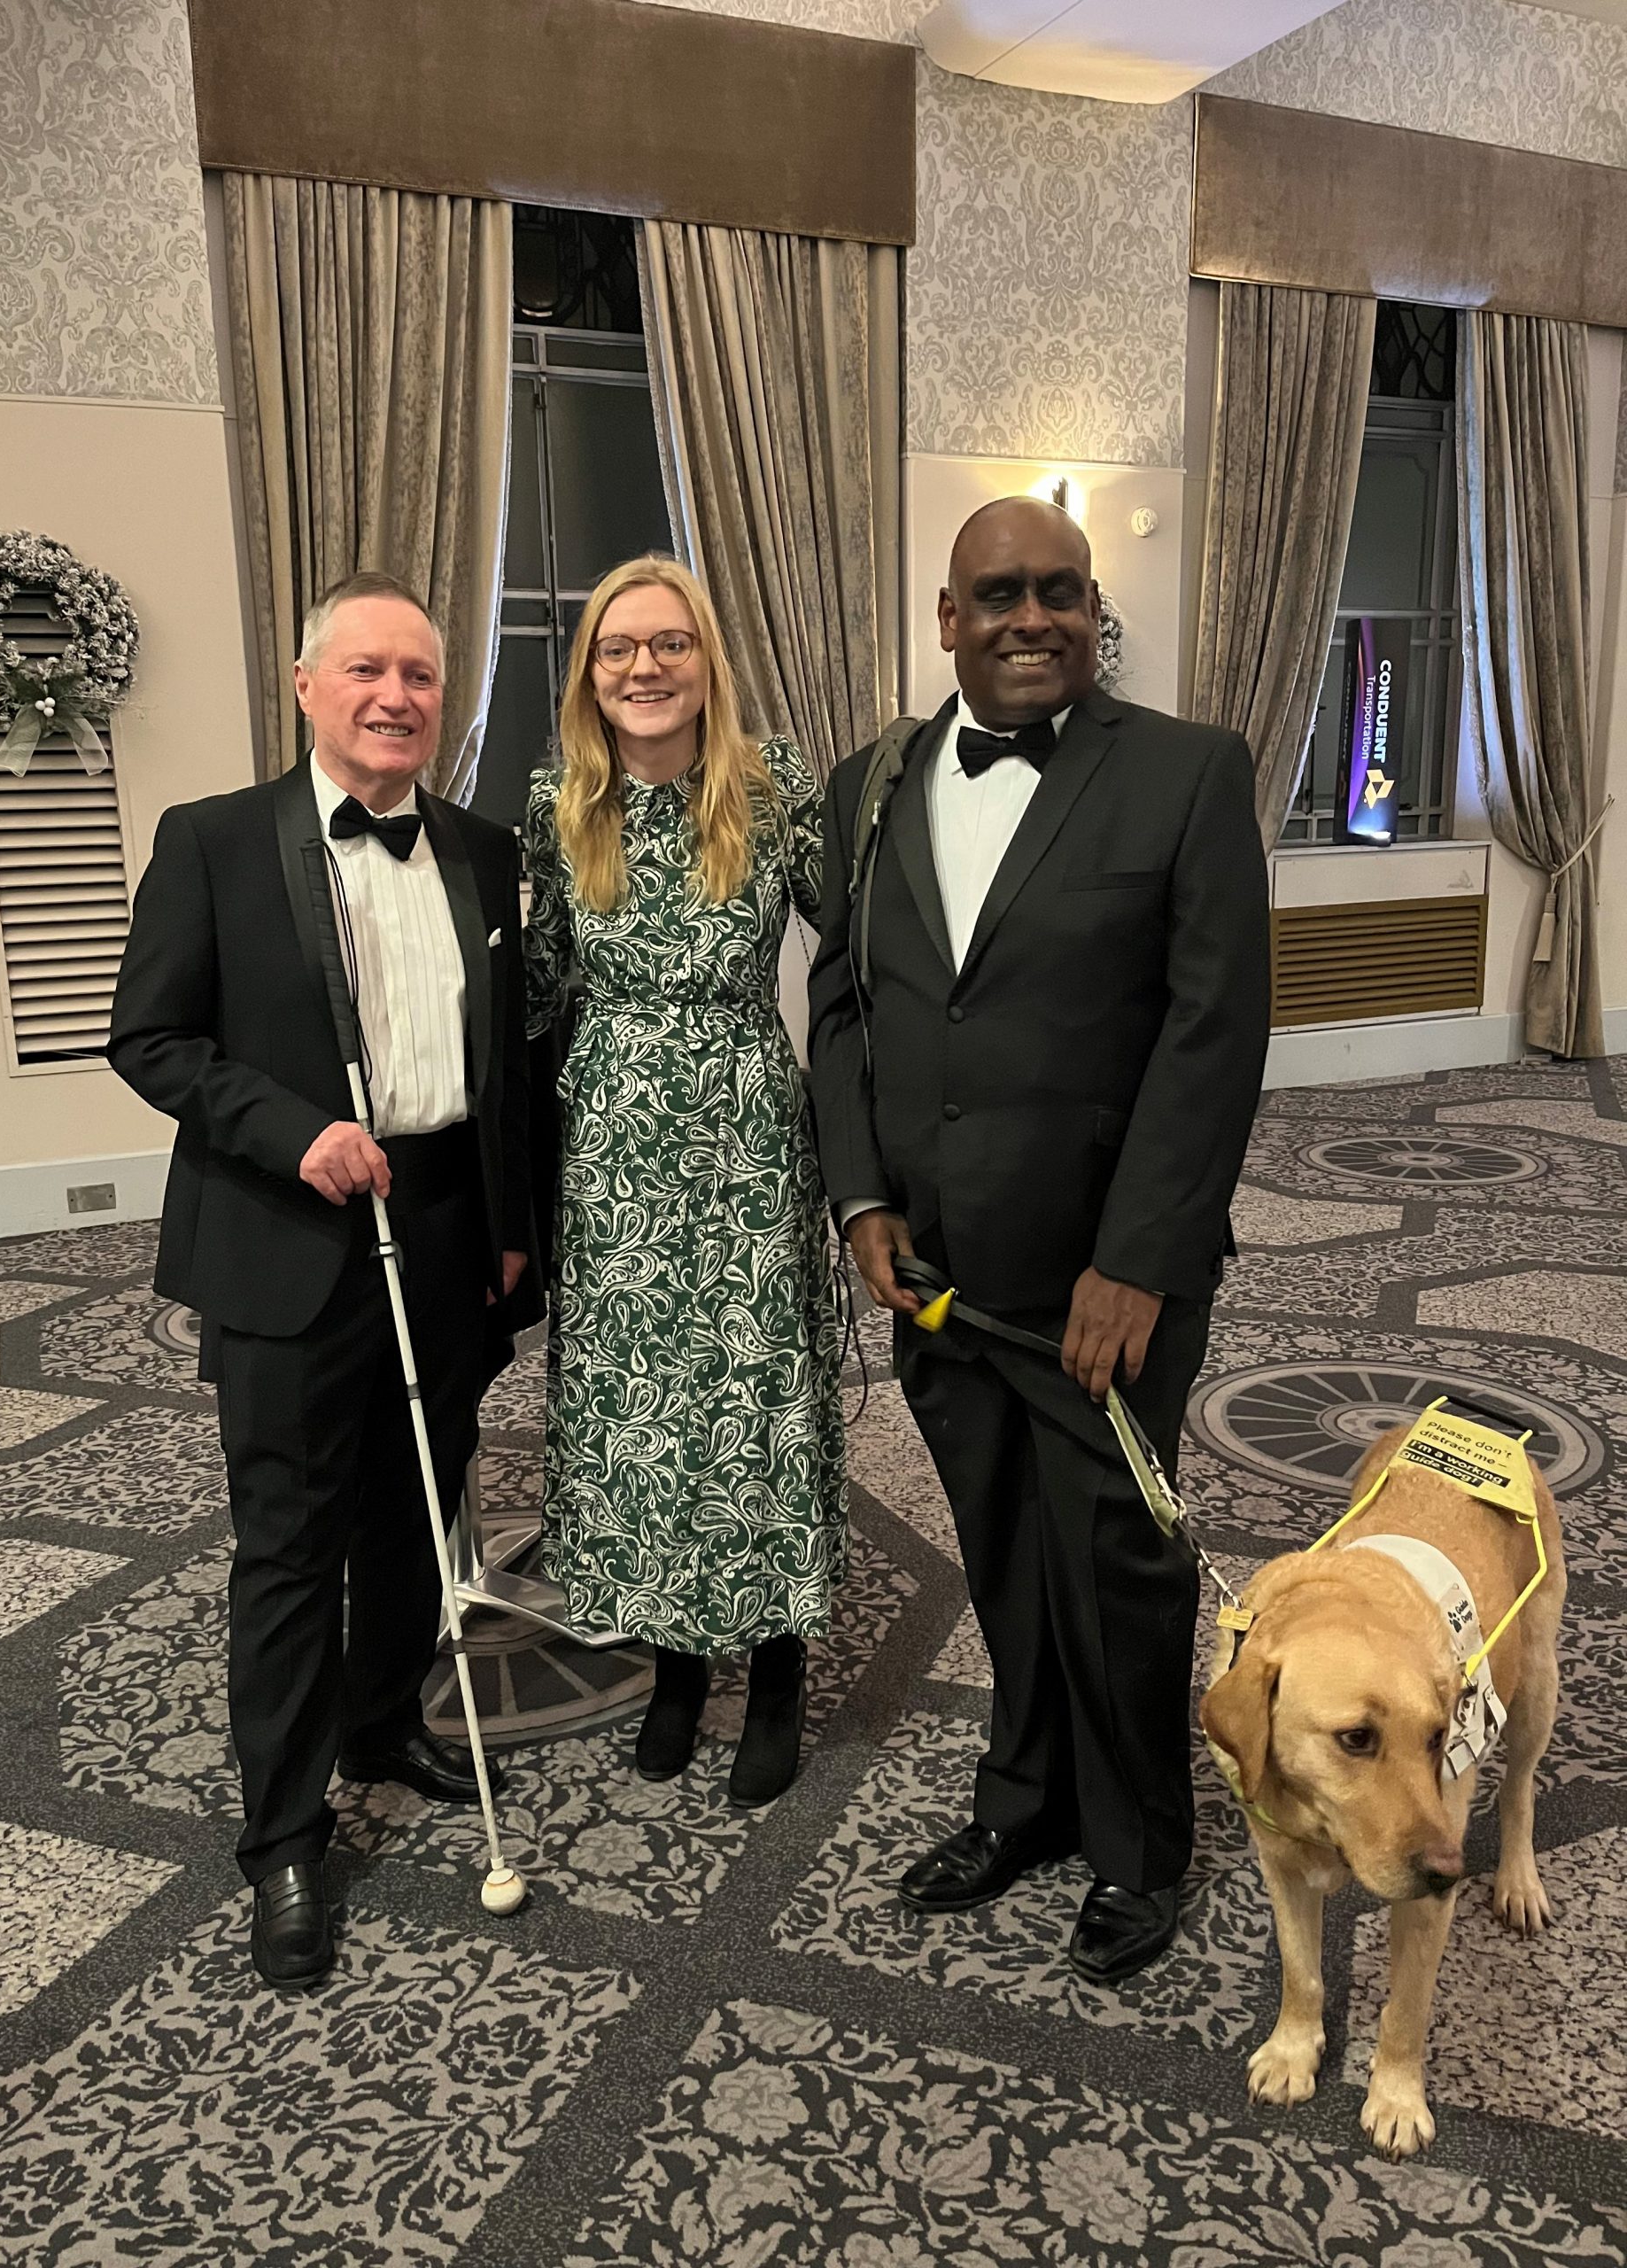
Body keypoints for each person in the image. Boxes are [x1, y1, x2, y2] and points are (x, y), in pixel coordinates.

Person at [808, 498, 1269, 1983]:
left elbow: (1214, 1037)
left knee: (1122, 1560)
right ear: (946, 617)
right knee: (1002, 1549)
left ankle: (1142, 1842)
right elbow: (847, 1009)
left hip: (1101, 1286)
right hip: (936, 1274)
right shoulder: (866, 783)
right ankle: (1028, 1798)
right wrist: (864, 1198)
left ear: (1092, 612)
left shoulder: (1189, 774)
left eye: (1060, 592)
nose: (1032, 619)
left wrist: (1138, 1258)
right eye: (998, 593)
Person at [108, 571, 539, 1986]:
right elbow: (153, 1039)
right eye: (366, 670)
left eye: (419, 674)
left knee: (418, 1503)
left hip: (451, 1235)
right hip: (290, 1238)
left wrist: (516, 1221)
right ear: (306, 687)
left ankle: (378, 1717)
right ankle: (285, 1839)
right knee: (290, 1548)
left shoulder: (482, 850)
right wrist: (295, 1136)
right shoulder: (214, 841)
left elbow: (510, 1066)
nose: (395, 696)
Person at [524, 554, 846, 1807]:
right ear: (590, 676)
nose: (644, 668)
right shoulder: (556, 806)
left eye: (669, 645)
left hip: (748, 1134)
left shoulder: (775, 797)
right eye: (618, 649)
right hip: (611, 1148)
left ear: (709, 662)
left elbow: (866, 955)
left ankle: (774, 1667)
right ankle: (672, 1664)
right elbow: (536, 992)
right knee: (642, 1411)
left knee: (754, 1404)